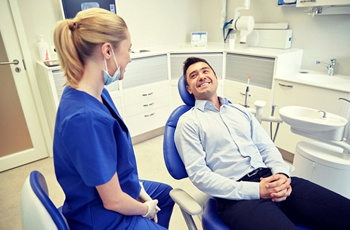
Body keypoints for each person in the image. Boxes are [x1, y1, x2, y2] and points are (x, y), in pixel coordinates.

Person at [174, 56, 350, 230]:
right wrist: (257, 190)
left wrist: (282, 174)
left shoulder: (240, 112)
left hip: (273, 178)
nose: (202, 76)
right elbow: (200, 175)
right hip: (237, 197)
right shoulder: (188, 122)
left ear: (216, 78)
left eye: (205, 71)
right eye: (194, 75)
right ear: (189, 89)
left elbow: (267, 147)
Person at [53, 8, 174, 229]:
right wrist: (145, 209)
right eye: (129, 49)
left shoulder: (96, 93)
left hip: (116, 188)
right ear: (107, 50)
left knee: (166, 195)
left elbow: (116, 161)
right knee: (154, 207)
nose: (130, 57)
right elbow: (113, 200)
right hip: (102, 217)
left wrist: (138, 189)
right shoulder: (85, 119)